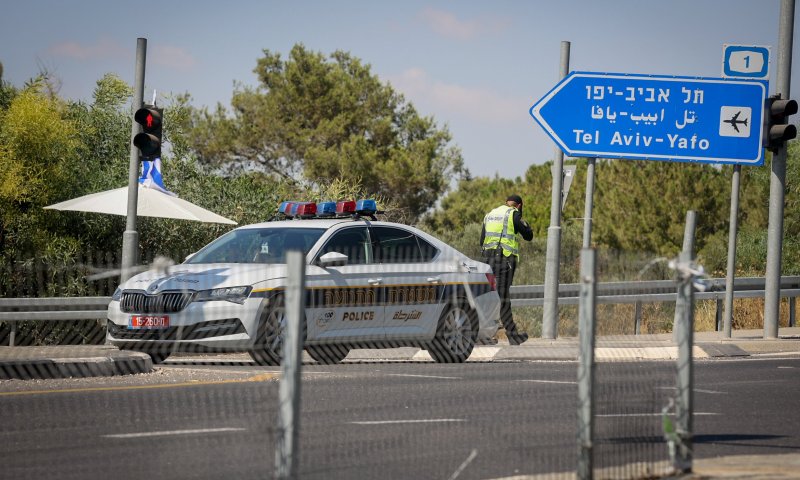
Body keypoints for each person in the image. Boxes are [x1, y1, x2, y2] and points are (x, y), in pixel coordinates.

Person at [480, 194, 534, 345]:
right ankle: (509, 335)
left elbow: (481, 240)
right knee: (502, 298)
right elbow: (528, 236)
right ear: (519, 205)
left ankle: (499, 334)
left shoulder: (489, 215)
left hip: (488, 262)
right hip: (504, 261)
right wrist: (528, 227)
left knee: (489, 297)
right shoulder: (513, 214)